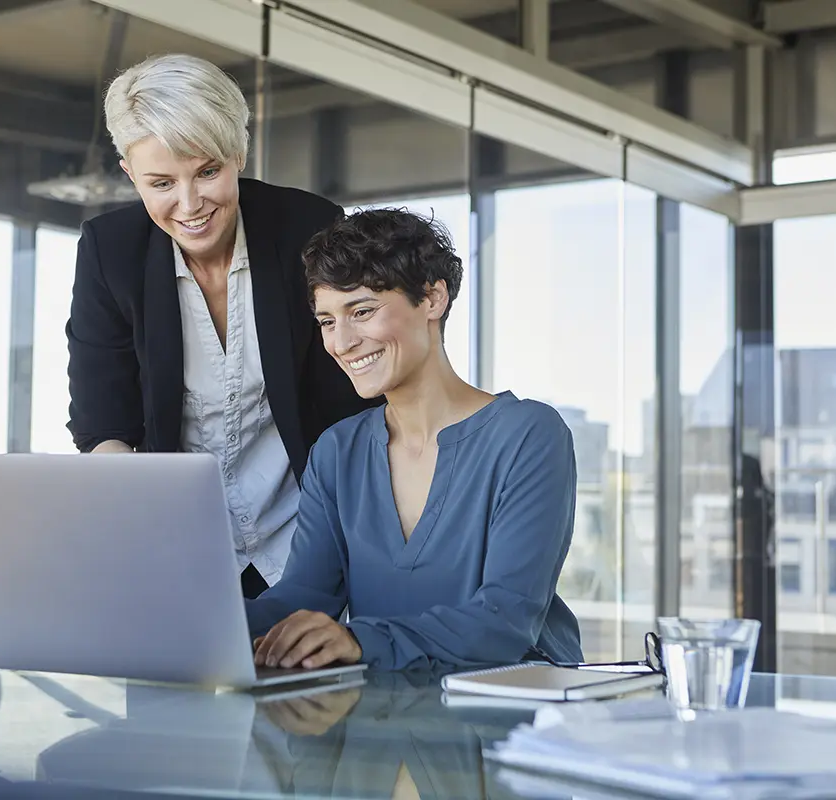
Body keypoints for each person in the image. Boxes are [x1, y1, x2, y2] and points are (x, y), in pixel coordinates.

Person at [66, 54, 375, 599]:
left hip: (309, 537)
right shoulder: (108, 252)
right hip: (181, 548)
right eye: (161, 182)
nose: (189, 205)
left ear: (238, 153)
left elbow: (354, 403)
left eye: (208, 171)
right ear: (129, 174)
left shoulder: (310, 228)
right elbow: (100, 422)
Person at [247, 209, 584, 671]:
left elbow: (506, 620)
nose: (341, 342)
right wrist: (205, 624)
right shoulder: (337, 451)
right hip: (388, 725)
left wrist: (358, 641)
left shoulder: (528, 436)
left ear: (432, 299)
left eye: (362, 311)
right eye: (327, 321)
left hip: (516, 722)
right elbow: (305, 596)